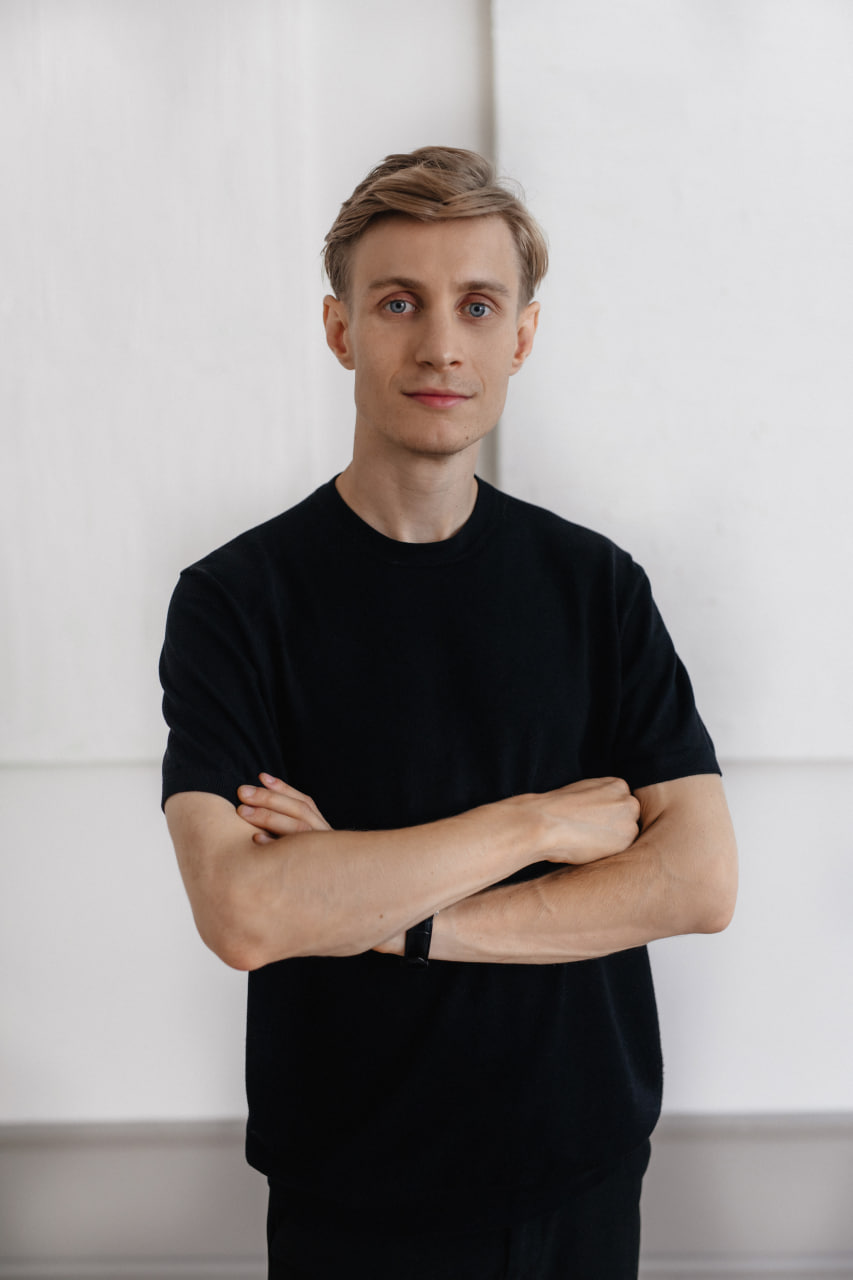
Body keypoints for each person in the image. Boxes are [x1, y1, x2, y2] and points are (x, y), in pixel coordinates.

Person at [160, 146, 737, 1279]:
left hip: (581, 1182)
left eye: (477, 305)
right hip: (352, 1198)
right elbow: (243, 911)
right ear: (339, 329)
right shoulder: (234, 600)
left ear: (520, 336)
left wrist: (388, 913)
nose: (439, 345)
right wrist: (536, 824)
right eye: (397, 303)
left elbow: (697, 882)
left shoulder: (597, 587)